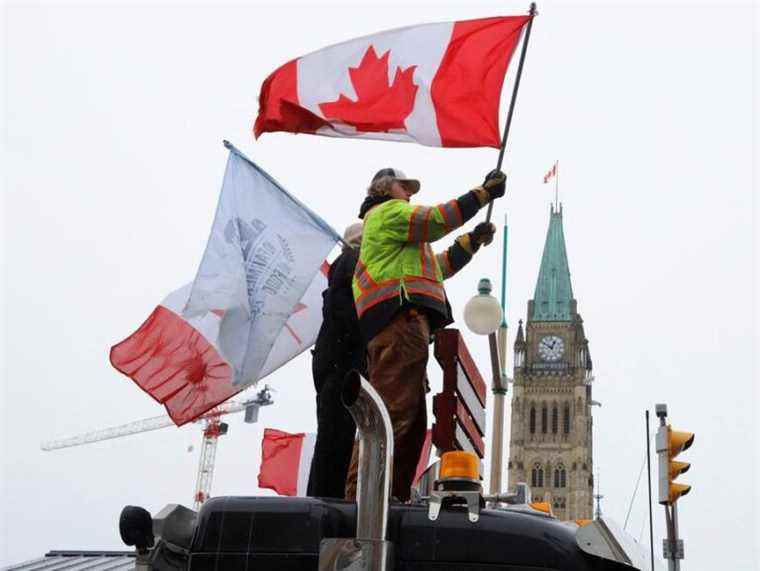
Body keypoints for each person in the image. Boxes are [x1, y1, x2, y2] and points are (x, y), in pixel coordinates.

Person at [345, 168, 505, 501]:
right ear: (387, 189)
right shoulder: (388, 212)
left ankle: (391, 498)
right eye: (406, 188)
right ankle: (361, 502)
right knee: (392, 414)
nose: (410, 194)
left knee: (412, 424)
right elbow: (435, 220)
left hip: (400, 325)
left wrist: (471, 241)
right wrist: (482, 194)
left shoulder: (397, 241)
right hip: (400, 321)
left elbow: (438, 267)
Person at [306, 222, 366, 498]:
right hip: (342, 362)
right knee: (336, 438)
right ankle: (327, 502)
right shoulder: (353, 261)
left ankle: (326, 498)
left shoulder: (344, 264)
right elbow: (351, 315)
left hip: (334, 361)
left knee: (335, 437)